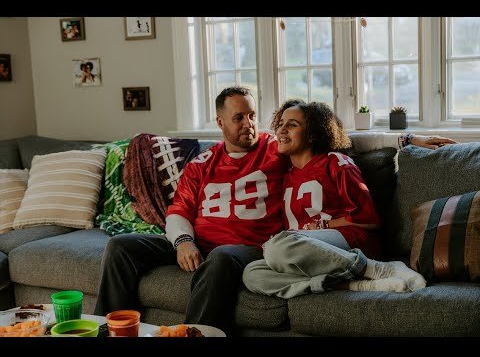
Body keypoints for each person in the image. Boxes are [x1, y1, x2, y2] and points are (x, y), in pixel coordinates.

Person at [93, 86, 457, 336]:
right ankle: (103, 326)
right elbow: (179, 210)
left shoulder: (276, 149)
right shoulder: (201, 162)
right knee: (122, 245)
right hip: (199, 241)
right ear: (219, 123)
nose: (249, 125)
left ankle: (194, 333)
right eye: (238, 118)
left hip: (246, 247)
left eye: (252, 116)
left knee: (221, 257)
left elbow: (343, 141)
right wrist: (183, 241)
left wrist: (407, 139)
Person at [242, 100, 430, 299]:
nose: (282, 130)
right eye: (280, 124)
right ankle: (355, 285)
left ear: (313, 134)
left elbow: (370, 219)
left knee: (278, 247)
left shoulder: (335, 162)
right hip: (303, 252)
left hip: (348, 241)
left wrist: (323, 224)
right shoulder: (286, 175)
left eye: (292, 124)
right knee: (252, 273)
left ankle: (378, 268)